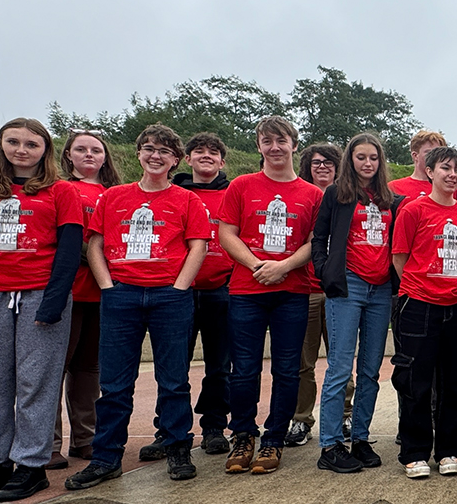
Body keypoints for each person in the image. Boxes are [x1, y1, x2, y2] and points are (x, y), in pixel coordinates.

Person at [65, 124, 210, 489]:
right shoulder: (114, 197)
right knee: (114, 383)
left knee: (174, 379)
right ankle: (106, 456)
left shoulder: (188, 200)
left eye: (164, 151)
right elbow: (95, 244)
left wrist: (179, 287)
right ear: (139, 154)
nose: (155, 155)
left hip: (169, 296)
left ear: (176, 159)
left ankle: (178, 447)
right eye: (149, 149)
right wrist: (108, 287)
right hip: (122, 294)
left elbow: (198, 246)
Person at [0, 118, 84, 502]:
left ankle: (30, 466)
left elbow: (68, 251)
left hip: (40, 293)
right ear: (0, 145)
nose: (21, 150)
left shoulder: (61, 192)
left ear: (45, 150)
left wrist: (54, 303)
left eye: (31, 144)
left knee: (35, 383)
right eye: (13, 142)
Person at [216, 117, 322, 475]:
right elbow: (226, 233)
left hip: (292, 291)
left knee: (287, 370)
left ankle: (274, 439)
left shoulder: (312, 194)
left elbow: (314, 242)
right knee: (243, 370)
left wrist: (284, 266)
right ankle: (243, 434)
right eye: (267, 141)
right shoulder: (242, 186)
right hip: (247, 290)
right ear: (259, 145)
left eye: (281, 140)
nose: (274, 147)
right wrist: (257, 264)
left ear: (294, 144)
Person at [313, 133, 404, 473]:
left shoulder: (391, 199)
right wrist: (325, 272)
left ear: (381, 162)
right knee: (339, 368)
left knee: (370, 370)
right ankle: (330, 444)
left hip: (381, 289)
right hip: (348, 285)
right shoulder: (336, 194)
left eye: (374, 158)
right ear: (350, 160)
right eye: (361, 157)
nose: (367, 163)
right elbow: (319, 237)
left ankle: (361, 438)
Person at [391, 146, 457, 478]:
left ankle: (448, 450)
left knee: (456, 380)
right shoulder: (413, 210)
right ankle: (414, 451)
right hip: (418, 305)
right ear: (430, 171)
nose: (453, 174)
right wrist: (422, 289)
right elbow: (400, 258)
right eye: (446, 168)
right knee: (415, 380)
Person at [48, 128, 123, 471]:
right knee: (54, 368)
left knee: (88, 368)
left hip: (104, 291)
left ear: (105, 157)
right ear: (68, 155)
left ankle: (85, 438)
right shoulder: (58, 189)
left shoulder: (115, 194)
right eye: (81, 149)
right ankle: (46, 444)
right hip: (69, 290)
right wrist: (93, 255)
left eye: (96, 149)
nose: (89, 155)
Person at [167, 133, 234, 457]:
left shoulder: (233, 193)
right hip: (178, 290)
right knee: (174, 366)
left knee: (220, 365)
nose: (206, 155)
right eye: (198, 151)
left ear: (222, 162)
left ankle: (214, 426)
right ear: (187, 159)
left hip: (221, 287)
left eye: (213, 152)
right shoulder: (174, 193)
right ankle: (169, 431)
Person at [287, 143, 355, 447]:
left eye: (329, 162)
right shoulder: (301, 196)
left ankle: (345, 415)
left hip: (341, 289)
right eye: (316, 162)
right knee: (304, 362)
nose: (323, 167)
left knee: (342, 358)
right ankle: (301, 419)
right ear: (307, 165)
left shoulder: (349, 196)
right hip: (308, 289)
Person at [389, 130, 447, 203]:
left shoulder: (449, 188)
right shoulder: (394, 187)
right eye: (429, 153)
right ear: (415, 156)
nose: (435, 157)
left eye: (438, 153)